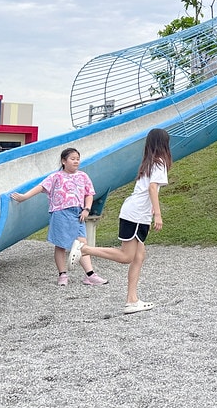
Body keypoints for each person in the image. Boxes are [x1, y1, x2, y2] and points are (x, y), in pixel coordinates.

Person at [69, 128, 171, 314]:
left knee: (139, 256)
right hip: (137, 215)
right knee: (126, 257)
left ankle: (132, 300)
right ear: (164, 144)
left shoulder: (149, 163)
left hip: (134, 213)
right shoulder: (159, 162)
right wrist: (158, 214)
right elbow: (152, 188)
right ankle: (85, 249)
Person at [11, 147, 107, 288]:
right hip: (61, 212)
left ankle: (90, 275)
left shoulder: (83, 176)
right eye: (72, 159)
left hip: (78, 213)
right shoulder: (56, 176)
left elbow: (89, 194)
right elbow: (41, 187)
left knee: (82, 244)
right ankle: (62, 274)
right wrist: (24, 197)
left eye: (77, 159)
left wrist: (87, 209)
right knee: (60, 245)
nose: (76, 161)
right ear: (64, 161)